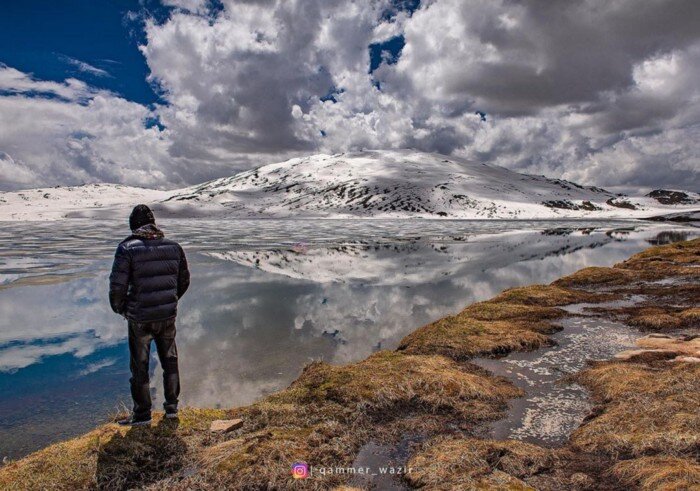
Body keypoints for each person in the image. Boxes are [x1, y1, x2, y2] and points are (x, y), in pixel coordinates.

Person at [109, 204, 190, 426]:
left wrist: (123, 309)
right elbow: (184, 282)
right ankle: (171, 409)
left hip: (140, 319)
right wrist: (169, 301)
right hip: (166, 316)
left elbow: (117, 288)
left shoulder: (127, 249)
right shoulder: (174, 247)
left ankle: (142, 415)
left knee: (140, 367)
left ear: (133, 225)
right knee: (170, 361)